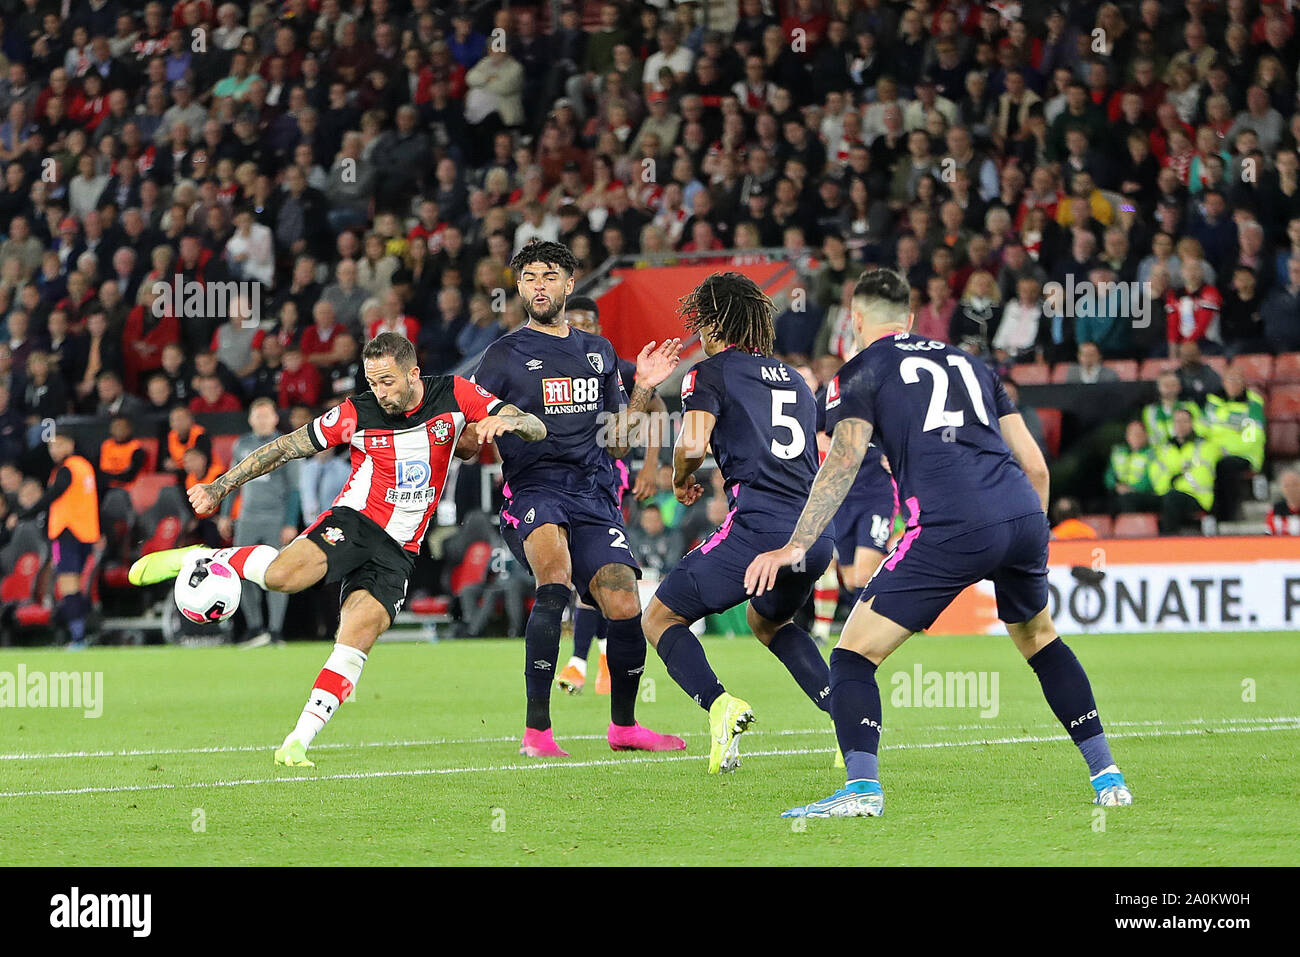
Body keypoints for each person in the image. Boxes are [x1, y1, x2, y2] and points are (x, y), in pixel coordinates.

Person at [746, 268, 1131, 817]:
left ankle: (861, 791)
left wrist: (795, 544)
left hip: (949, 523)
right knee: (1040, 638)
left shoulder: (859, 371)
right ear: (909, 319)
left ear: (856, 320)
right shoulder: (972, 364)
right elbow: (1036, 465)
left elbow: (844, 458)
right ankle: (1108, 777)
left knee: (852, 655)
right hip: (1021, 511)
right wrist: (1031, 535)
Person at [128, 333, 547, 767]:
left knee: (356, 640)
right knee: (281, 578)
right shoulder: (356, 412)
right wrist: (221, 486)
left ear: (413, 373)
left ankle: (297, 741)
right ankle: (204, 557)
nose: (379, 392)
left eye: (387, 381)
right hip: (356, 521)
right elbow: (287, 447)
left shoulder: (455, 394)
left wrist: (511, 422)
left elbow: (534, 425)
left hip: (401, 548)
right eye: (372, 382)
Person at [467, 239, 685, 757]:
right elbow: (462, 440)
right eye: (528, 278)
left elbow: (616, 442)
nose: (537, 285)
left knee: (623, 601)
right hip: (534, 492)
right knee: (555, 583)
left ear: (569, 284)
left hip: (592, 495)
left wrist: (645, 389)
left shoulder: (599, 353)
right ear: (519, 287)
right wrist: (481, 430)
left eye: (548, 276)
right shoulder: (502, 356)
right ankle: (537, 732)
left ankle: (625, 727)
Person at [639, 272, 838, 773]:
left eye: (702, 322)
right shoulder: (796, 378)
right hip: (814, 536)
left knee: (659, 618)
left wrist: (681, 478)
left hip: (759, 531)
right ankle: (847, 718)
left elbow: (690, 444)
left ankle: (720, 705)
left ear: (713, 323)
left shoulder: (709, 373)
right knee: (768, 621)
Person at [554, 294, 668, 696]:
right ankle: (598, 656)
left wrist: (651, 465)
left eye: (587, 322)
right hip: (561, 482)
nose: (581, 328)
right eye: (574, 321)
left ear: (599, 327)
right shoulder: (553, 365)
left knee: (593, 568)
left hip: (606, 477)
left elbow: (657, 405)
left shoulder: (616, 366)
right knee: (582, 572)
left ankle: (580, 662)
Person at [218, 398, 302, 646]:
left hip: (275, 519)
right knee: (241, 574)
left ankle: (276, 631)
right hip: (247, 518)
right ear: (250, 419)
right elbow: (231, 481)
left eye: (267, 416)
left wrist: (290, 523)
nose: (262, 421)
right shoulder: (241, 445)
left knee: (276, 574)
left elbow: (294, 490)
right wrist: (225, 514)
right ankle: (255, 628)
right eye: (258, 416)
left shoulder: (286, 445)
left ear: (275, 419)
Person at [9, 434, 99, 645]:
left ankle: (78, 637)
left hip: (68, 532)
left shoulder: (67, 468)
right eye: (51, 446)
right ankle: (86, 627)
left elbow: (54, 495)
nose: (54, 450)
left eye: (59, 444)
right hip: (85, 532)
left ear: (71, 443)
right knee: (75, 585)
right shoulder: (84, 466)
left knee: (68, 585)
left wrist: (24, 514)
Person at [1203, 368, 1265, 522]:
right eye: (1230, 380)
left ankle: (1226, 517)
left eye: (1237, 380)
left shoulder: (1253, 404)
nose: (1233, 384)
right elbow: (1202, 427)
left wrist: (1226, 450)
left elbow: (1253, 436)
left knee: (1225, 467)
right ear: (1223, 382)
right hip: (1214, 453)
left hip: (1244, 454)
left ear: (1244, 383)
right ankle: (1208, 516)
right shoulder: (1213, 402)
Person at [1151, 407, 1222, 534]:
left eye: (1184, 421)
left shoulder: (1205, 446)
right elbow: (1156, 475)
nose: (1180, 425)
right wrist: (1174, 479)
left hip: (1197, 498)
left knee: (1171, 498)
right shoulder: (1164, 448)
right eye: (1177, 422)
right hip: (1167, 494)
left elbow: (1202, 475)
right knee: (1131, 499)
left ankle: (1168, 542)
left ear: (1192, 423)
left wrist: (1173, 480)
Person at [1105, 420, 1160, 514]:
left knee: (1127, 500)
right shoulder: (1118, 453)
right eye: (1132, 433)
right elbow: (1109, 475)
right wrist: (1116, 486)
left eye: (1139, 433)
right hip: (1120, 493)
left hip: (1144, 495)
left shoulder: (1153, 453)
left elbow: (1152, 478)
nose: (1135, 437)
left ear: (1146, 435)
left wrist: (1132, 489)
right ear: (1127, 436)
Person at [1142, 371, 1202, 445]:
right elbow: (1151, 436)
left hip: (1188, 448)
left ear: (1179, 387)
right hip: (1163, 452)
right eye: (1166, 385)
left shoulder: (1190, 406)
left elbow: (1199, 430)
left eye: (1173, 384)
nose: (1170, 388)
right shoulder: (1150, 411)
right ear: (1158, 387)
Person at [1266, 469, 1300, 535]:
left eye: (1295, 484)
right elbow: (1269, 536)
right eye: (1287, 486)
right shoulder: (1275, 511)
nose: (1291, 489)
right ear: (1282, 489)